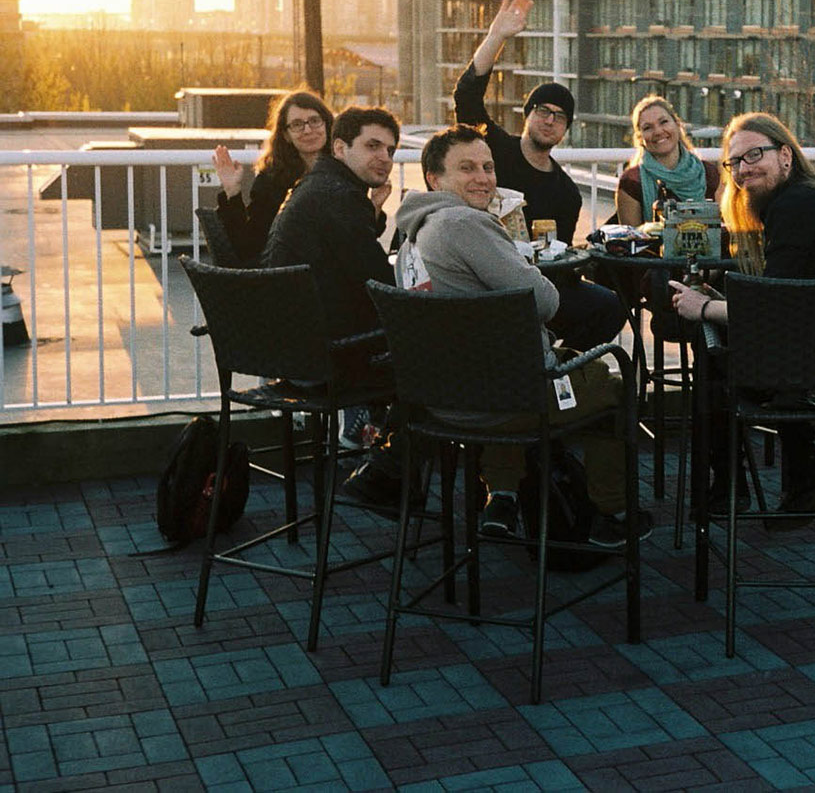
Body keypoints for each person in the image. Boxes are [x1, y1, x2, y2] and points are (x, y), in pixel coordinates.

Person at [394, 125, 651, 545]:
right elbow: (546, 301)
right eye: (467, 168)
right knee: (614, 385)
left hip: (440, 402)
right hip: (502, 402)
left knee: (511, 365)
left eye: (488, 166)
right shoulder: (466, 224)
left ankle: (503, 496)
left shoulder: (411, 237)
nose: (483, 177)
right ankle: (614, 513)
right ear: (435, 180)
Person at [668, 112, 815, 520]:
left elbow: (774, 306)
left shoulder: (794, 206)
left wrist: (703, 306)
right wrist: (722, 293)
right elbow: (786, 296)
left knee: (710, 354)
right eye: (735, 162)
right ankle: (802, 479)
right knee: (734, 351)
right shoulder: (808, 198)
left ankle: (729, 488)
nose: (744, 169)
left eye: (754, 154)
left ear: (785, 156)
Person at [453, 0, 623, 351]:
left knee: (609, 307)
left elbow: (559, 257)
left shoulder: (566, 191)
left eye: (559, 116)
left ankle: (558, 367)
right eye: (542, 110)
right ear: (527, 114)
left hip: (541, 284)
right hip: (487, 278)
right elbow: (467, 97)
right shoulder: (496, 150)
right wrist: (496, 37)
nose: (549, 119)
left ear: (566, 128)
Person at [261, 105, 397, 343]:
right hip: (325, 346)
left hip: (291, 333)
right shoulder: (338, 195)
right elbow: (380, 281)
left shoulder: (319, 184)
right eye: (372, 146)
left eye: (390, 150)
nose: (385, 157)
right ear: (340, 148)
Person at [211, 90, 333, 265]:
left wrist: (373, 207)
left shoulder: (342, 173)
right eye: (297, 124)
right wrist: (232, 192)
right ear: (286, 135)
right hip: (292, 277)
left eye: (314, 121)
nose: (308, 130)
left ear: (327, 125)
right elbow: (248, 246)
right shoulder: (272, 181)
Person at [614, 95, 718, 226]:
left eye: (663, 122)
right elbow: (632, 242)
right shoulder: (632, 182)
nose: (657, 131)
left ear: (677, 124)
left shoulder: (710, 174)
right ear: (640, 138)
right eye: (647, 128)